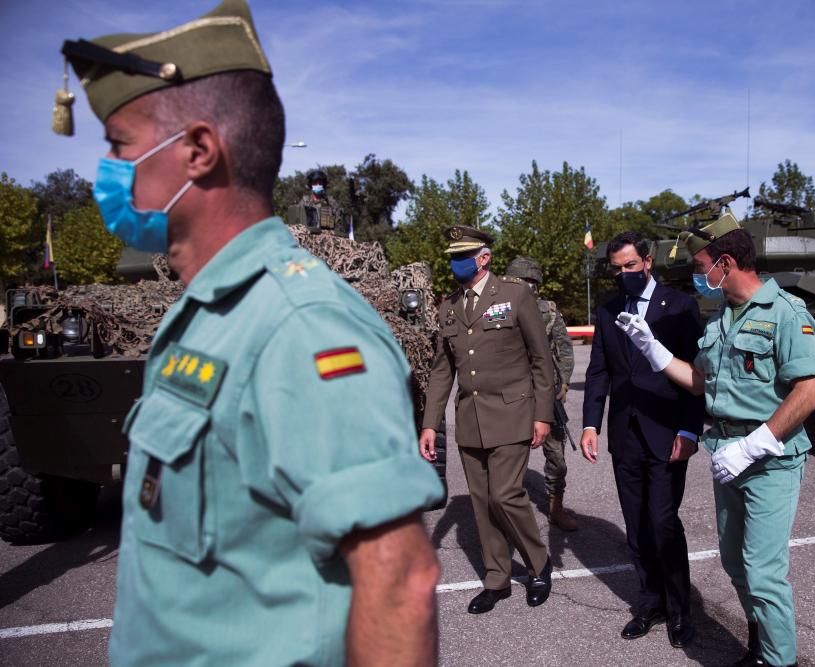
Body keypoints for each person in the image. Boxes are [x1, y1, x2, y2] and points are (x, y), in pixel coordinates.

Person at [58, 1, 444, 664]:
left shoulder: (298, 326)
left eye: (120, 146)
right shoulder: (212, 312)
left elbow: (400, 582)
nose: (109, 171)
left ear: (200, 151)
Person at [616, 212, 815, 667]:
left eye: (699, 264)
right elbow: (698, 380)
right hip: (726, 455)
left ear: (725, 263)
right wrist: (653, 348)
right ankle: (759, 649)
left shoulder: (786, 312)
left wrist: (755, 444)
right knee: (735, 563)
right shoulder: (722, 319)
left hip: (768, 457)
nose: (697, 274)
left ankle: (779, 661)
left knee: (764, 573)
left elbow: (810, 391)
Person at [419, 227, 555, 614]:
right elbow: (443, 370)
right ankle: (497, 579)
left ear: (484, 258)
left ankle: (538, 562)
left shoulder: (515, 294)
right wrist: (430, 424)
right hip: (470, 419)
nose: (454, 263)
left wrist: (542, 414)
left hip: (513, 412)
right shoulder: (449, 306)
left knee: (505, 495)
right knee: (482, 504)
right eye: (451, 256)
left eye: (462, 255)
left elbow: (541, 360)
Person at [580, 231, 705, 647]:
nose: (623, 275)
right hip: (625, 435)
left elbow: (695, 375)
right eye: (616, 269)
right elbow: (599, 370)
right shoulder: (609, 309)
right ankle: (650, 602)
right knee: (636, 526)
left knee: (663, 522)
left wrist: (689, 429)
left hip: (668, 432)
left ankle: (679, 610)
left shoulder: (681, 307)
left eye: (630, 266)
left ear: (648, 262)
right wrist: (590, 423)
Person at [505, 256, 578, 532]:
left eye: (529, 282)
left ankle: (555, 505)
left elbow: (565, 348)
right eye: (518, 281)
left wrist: (565, 382)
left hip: (546, 392)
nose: (524, 286)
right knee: (509, 457)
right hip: (511, 394)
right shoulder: (497, 309)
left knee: (557, 457)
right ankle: (507, 511)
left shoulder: (548, 311)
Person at [300, 168, 345, 235]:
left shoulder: (331, 203)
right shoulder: (304, 202)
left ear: (323, 185)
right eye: (315, 183)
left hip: (327, 238)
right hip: (308, 236)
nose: (318, 185)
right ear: (311, 185)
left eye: (320, 183)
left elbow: (339, 225)